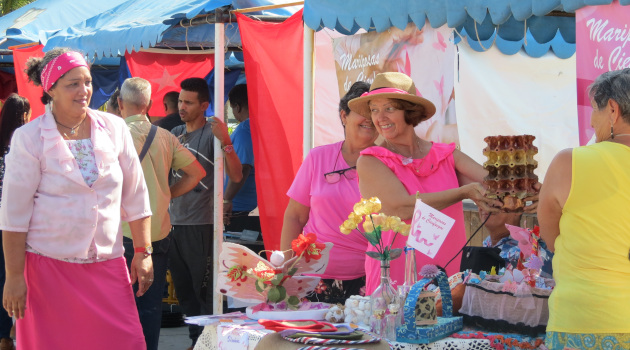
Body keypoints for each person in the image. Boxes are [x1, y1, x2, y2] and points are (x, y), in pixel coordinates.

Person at [0, 48, 153, 349]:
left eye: (87, 81)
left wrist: (143, 251)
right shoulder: (29, 139)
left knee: (125, 342)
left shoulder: (115, 128)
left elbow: (136, 194)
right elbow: (14, 215)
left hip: (107, 266)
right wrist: (14, 276)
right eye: (72, 84)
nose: (84, 91)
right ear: (51, 89)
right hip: (48, 271)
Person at [350, 72, 537, 294]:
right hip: (396, 277)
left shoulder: (445, 154)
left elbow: (496, 183)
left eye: (389, 108)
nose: (380, 117)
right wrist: (462, 193)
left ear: (409, 112)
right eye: (374, 110)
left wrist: (534, 189)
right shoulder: (371, 160)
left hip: (447, 273)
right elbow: (400, 207)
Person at [539, 69, 630, 349]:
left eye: (595, 110)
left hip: (580, 323)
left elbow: (553, 241)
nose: (591, 122)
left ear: (612, 110)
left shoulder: (569, 163)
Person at [117, 77, 206, 350]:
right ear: (150, 105)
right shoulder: (165, 137)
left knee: (120, 306)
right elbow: (198, 173)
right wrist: (168, 193)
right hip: (159, 233)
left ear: (120, 104)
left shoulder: (114, 135)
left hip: (123, 233)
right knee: (150, 307)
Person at [280, 81, 376, 304]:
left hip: (368, 279)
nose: (370, 118)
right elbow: (295, 216)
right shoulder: (318, 158)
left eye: (375, 112)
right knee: (312, 338)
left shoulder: (387, 164)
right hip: (313, 278)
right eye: (363, 111)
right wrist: (283, 270)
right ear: (344, 116)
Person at [169, 77, 242, 349]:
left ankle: (208, 342)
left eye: (188, 102)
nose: (182, 106)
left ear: (204, 105)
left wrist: (226, 141)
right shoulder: (175, 132)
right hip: (173, 223)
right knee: (185, 292)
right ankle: (197, 341)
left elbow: (236, 175)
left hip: (202, 225)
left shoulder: (213, 132)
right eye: (179, 101)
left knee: (205, 293)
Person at [0, 94, 30, 350]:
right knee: (25, 278)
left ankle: (4, 336)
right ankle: (21, 331)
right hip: (20, 225)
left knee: (3, 278)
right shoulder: (25, 146)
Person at [224, 84, 259, 231]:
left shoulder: (245, 130)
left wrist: (227, 199)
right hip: (252, 206)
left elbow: (243, 168)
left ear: (237, 107)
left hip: (239, 210)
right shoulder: (261, 127)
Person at [479, 209, 552, 277]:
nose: (485, 206)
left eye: (496, 198)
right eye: (481, 200)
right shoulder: (487, 243)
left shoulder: (535, 252)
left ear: (518, 207)